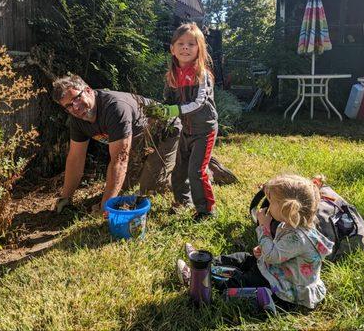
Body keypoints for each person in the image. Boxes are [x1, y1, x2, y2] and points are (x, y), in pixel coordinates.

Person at [177, 174, 334, 310]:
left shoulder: (298, 237)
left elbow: (273, 256)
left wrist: (264, 228)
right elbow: (280, 251)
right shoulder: (292, 226)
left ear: (288, 209)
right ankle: (202, 263)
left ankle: (195, 277)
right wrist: (264, 248)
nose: (268, 205)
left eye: (271, 202)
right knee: (242, 258)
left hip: (282, 288)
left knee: (241, 281)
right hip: (276, 270)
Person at [51, 74, 179, 214]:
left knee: (150, 188)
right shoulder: (77, 120)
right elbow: (76, 158)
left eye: (76, 99)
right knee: (124, 188)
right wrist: (66, 197)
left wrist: (105, 208)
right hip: (139, 140)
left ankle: (186, 176)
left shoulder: (115, 107)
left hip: (167, 131)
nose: (75, 108)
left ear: (87, 90)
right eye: (68, 106)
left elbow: (120, 159)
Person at [157, 22, 219, 221]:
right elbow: (168, 101)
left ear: (199, 49)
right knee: (179, 170)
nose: (185, 47)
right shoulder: (172, 76)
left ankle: (206, 211)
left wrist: (176, 110)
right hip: (186, 130)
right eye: (181, 43)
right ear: (172, 49)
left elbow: (199, 103)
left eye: (191, 44)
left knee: (196, 171)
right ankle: (184, 201)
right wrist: (161, 111)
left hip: (204, 130)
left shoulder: (203, 74)